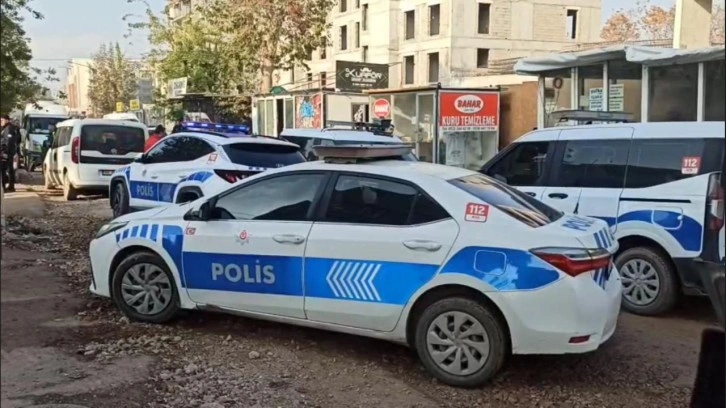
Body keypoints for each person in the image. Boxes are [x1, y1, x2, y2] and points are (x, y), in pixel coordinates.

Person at [1, 114, 21, 192]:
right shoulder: (8, 128)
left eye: (2, 120)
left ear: (7, 120)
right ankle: (10, 186)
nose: (1, 122)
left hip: (6, 152)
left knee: (4, 170)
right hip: (9, 152)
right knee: (9, 169)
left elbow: (9, 142)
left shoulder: (9, 128)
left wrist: (4, 151)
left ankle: (4, 187)